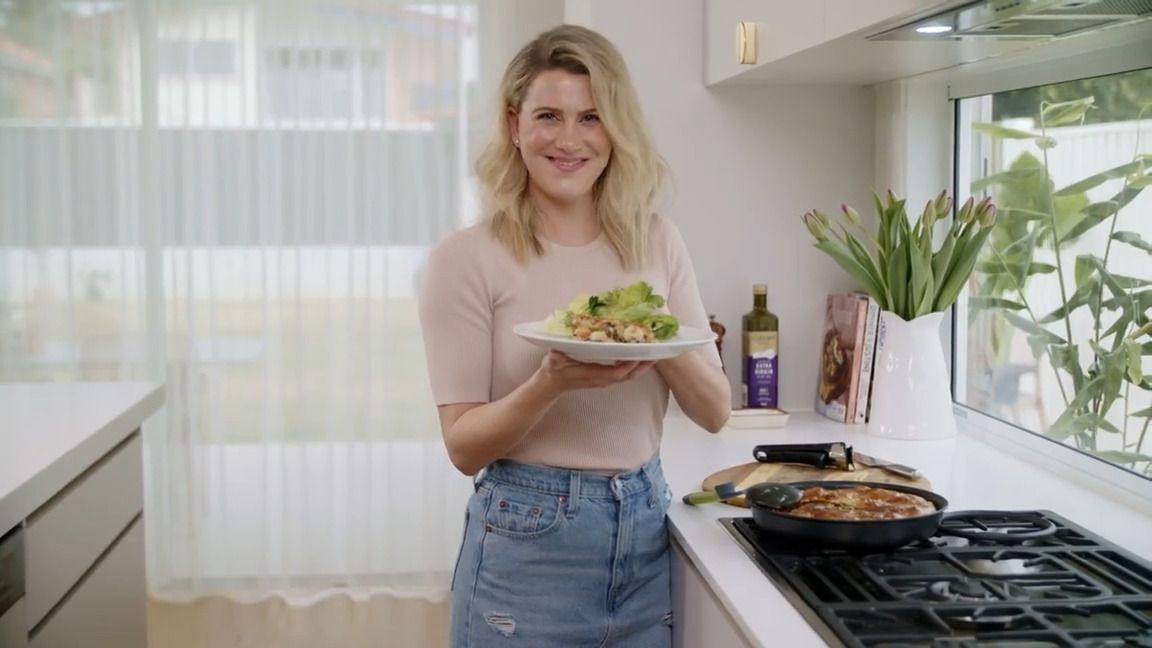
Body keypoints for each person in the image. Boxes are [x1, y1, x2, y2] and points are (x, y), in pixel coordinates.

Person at [418, 24, 730, 648]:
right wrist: (549, 383)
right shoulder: (466, 258)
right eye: (548, 117)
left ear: (615, 129)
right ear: (515, 125)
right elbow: (463, 448)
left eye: (591, 117)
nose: (569, 140)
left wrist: (653, 333)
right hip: (526, 545)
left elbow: (715, 411)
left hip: (645, 533)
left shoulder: (656, 240)